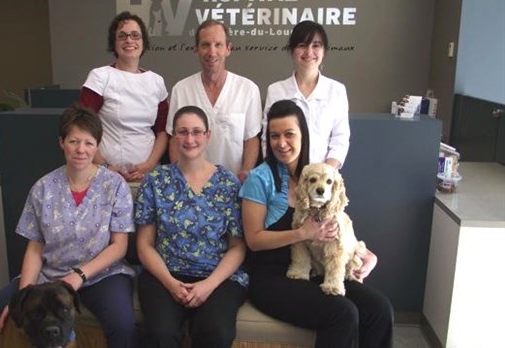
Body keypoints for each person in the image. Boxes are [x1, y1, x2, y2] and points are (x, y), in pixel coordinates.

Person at [0, 104, 137, 348]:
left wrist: (79, 275)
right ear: (61, 143)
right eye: (73, 141)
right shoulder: (43, 188)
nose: (81, 150)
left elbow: (119, 246)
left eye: (89, 143)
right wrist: (22, 297)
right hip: (51, 274)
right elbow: (35, 247)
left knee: (123, 326)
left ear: (97, 146)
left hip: (102, 275)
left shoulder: (115, 185)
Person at [240, 100, 393, 348]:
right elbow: (254, 240)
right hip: (272, 277)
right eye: (274, 136)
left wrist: (366, 253)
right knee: (342, 314)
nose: (281, 143)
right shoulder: (258, 179)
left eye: (289, 134)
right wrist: (302, 233)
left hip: (316, 269)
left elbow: (337, 222)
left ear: (303, 136)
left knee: (379, 309)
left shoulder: (318, 174)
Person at [135, 105, 248, 347]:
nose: (190, 139)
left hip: (216, 277)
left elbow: (237, 247)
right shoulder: (156, 180)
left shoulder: (228, 183)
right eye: (183, 132)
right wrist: (170, 283)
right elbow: (144, 244)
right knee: (161, 336)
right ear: (174, 136)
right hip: (164, 274)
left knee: (216, 333)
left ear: (208, 135)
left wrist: (208, 285)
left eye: (197, 132)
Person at [166, 19, 262, 182]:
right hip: (190, 184)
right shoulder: (181, 90)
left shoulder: (248, 89)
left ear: (228, 49)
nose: (212, 52)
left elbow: (251, 138)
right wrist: (179, 180)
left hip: (234, 185)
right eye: (205, 45)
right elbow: (174, 139)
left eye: (218, 44)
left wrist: (246, 173)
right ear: (196, 50)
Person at [80, 11, 169, 182]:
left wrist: (149, 165)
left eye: (135, 35)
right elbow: (83, 127)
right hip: (106, 175)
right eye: (122, 36)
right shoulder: (100, 77)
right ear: (114, 44)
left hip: (147, 175)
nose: (129, 40)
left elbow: (162, 131)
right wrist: (106, 168)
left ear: (144, 42)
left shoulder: (156, 81)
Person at [263, 21, 350, 170]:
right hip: (284, 177)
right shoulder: (276, 90)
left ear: (324, 50)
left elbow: (340, 139)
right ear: (292, 50)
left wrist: (325, 173)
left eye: (316, 45)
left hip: (322, 180)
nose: (309, 52)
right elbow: (268, 138)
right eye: (302, 45)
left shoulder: (336, 90)